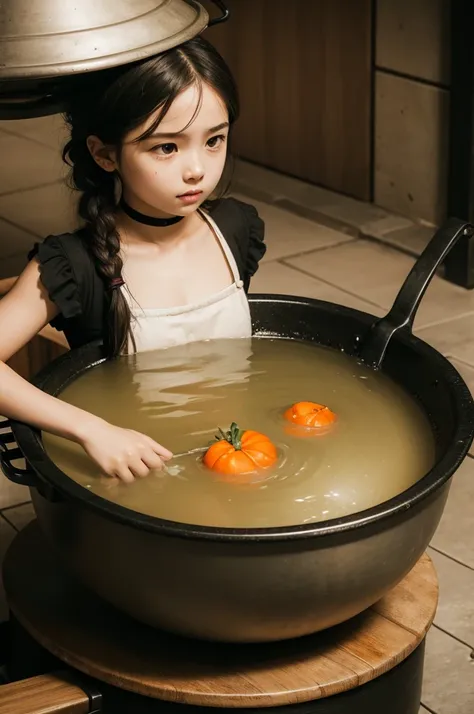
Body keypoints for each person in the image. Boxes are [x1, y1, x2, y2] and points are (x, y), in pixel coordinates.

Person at [0, 36, 266, 484]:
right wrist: (91, 430)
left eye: (214, 139)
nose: (197, 169)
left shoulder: (237, 229)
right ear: (105, 154)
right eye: (167, 147)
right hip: (131, 474)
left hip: (233, 452)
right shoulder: (74, 264)